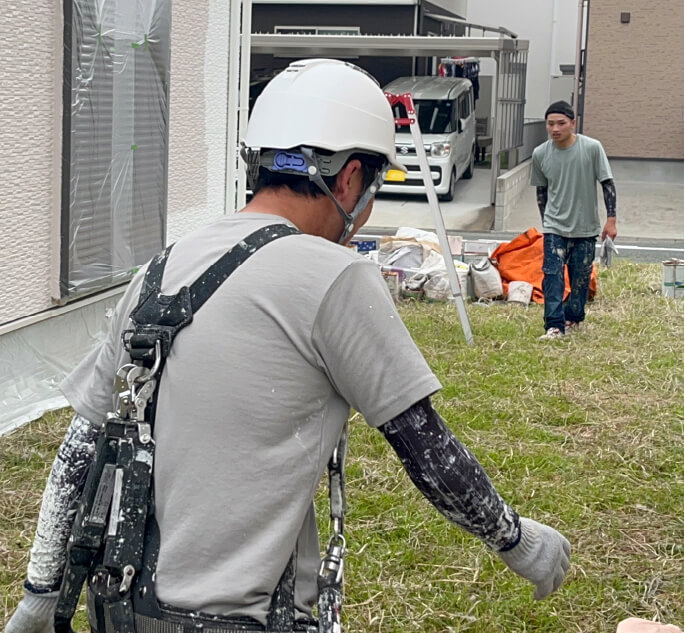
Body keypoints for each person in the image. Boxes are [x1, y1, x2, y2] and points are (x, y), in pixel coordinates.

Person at [6, 59, 571, 633]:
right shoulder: (334, 275)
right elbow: (426, 447)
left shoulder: (161, 267)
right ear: (350, 178)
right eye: (373, 187)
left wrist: (38, 598)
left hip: (121, 609)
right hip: (240, 619)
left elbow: (80, 449)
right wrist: (518, 541)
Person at [531, 100, 618, 340]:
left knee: (581, 275)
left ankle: (574, 317)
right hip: (554, 226)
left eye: (561, 123)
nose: (555, 128)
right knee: (552, 275)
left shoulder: (591, 148)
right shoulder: (540, 153)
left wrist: (611, 220)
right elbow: (541, 191)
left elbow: (607, 183)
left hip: (585, 226)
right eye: (550, 124)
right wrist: (546, 223)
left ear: (573, 123)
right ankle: (555, 325)